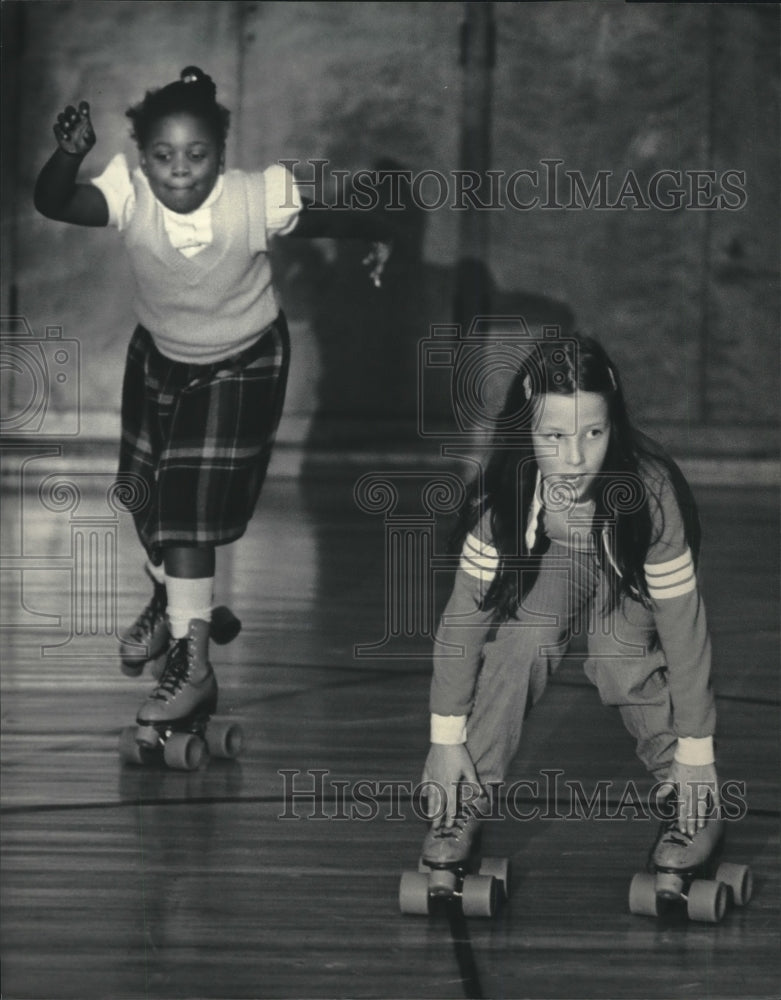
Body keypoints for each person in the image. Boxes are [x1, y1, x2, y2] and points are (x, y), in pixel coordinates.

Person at [34, 66, 391, 739]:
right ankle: (171, 599)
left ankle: (192, 667)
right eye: (164, 157)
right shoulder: (130, 195)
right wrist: (70, 154)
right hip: (162, 359)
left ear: (220, 157)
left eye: (197, 156)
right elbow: (55, 203)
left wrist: (379, 230)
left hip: (243, 362)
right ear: (143, 158)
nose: (180, 172)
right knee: (144, 496)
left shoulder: (251, 199)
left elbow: (326, 215)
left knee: (186, 509)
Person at [420, 332, 723, 875]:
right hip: (566, 554)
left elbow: (685, 631)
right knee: (522, 639)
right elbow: (462, 624)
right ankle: (466, 793)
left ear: (614, 427)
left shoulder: (651, 499)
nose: (576, 457)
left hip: (630, 559)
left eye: (594, 432)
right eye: (553, 434)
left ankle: (691, 799)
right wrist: (445, 742)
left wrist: (698, 753)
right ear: (526, 432)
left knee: (617, 656)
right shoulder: (502, 500)